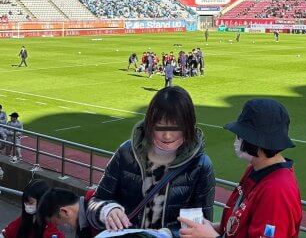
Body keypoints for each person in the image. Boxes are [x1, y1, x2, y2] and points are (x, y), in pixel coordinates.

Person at [87, 86, 215, 233]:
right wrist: (107, 211)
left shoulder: (201, 165)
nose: (167, 136)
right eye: (160, 127)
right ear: (149, 124)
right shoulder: (126, 153)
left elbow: (203, 227)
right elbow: (95, 203)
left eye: (176, 128)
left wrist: (169, 234)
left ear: (188, 126)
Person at [179, 99, 301, 238]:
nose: (237, 140)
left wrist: (212, 237)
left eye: (240, 135)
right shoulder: (256, 169)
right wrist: (213, 228)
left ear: (256, 141)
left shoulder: (277, 190)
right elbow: (241, 223)